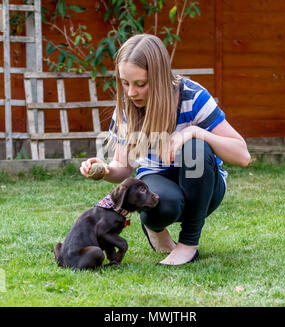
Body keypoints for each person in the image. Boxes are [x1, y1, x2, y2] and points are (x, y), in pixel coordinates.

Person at [80, 34, 251, 266]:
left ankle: (188, 245)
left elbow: (243, 156)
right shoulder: (127, 107)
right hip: (157, 180)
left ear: (160, 77)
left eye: (141, 84)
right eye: (125, 82)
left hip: (204, 185)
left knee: (196, 147)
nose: (131, 93)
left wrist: (195, 132)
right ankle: (155, 227)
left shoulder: (193, 96)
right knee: (162, 205)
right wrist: (104, 170)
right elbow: (123, 168)